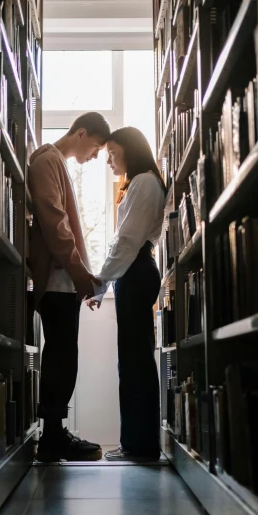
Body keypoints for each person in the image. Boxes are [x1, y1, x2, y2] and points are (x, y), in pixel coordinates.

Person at [29, 111, 111, 462]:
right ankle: (52, 438)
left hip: (65, 281)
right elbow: (55, 224)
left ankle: (54, 434)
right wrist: (81, 276)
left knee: (63, 357)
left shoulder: (55, 162)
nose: (94, 157)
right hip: (59, 281)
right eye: (94, 147)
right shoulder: (48, 161)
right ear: (80, 133)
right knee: (61, 358)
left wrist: (81, 279)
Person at [87, 127, 166, 462]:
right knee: (134, 360)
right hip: (133, 273)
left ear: (129, 150)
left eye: (112, 153)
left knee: (134, 363)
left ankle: (139, 445)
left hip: (134, 273)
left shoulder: (144, 182)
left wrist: (100, 281)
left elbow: (126, 242)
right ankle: (136, 443)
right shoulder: (141, 182)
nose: (108, 160)